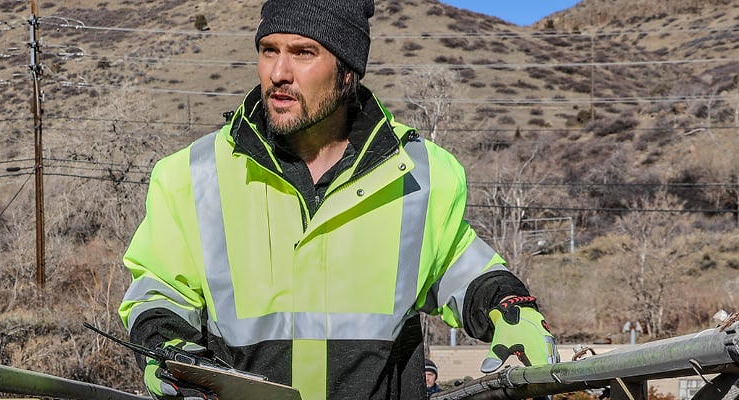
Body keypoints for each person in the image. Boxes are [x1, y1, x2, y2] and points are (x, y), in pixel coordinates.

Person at [118, 0, 559, 399]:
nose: (278, 73)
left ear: (348, 68)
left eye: (303, 53)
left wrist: (510, 311)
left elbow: (465, 272)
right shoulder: (192, 175)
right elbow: (158, 293)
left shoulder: (420, 175)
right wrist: (169, 354)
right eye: (269, 49)